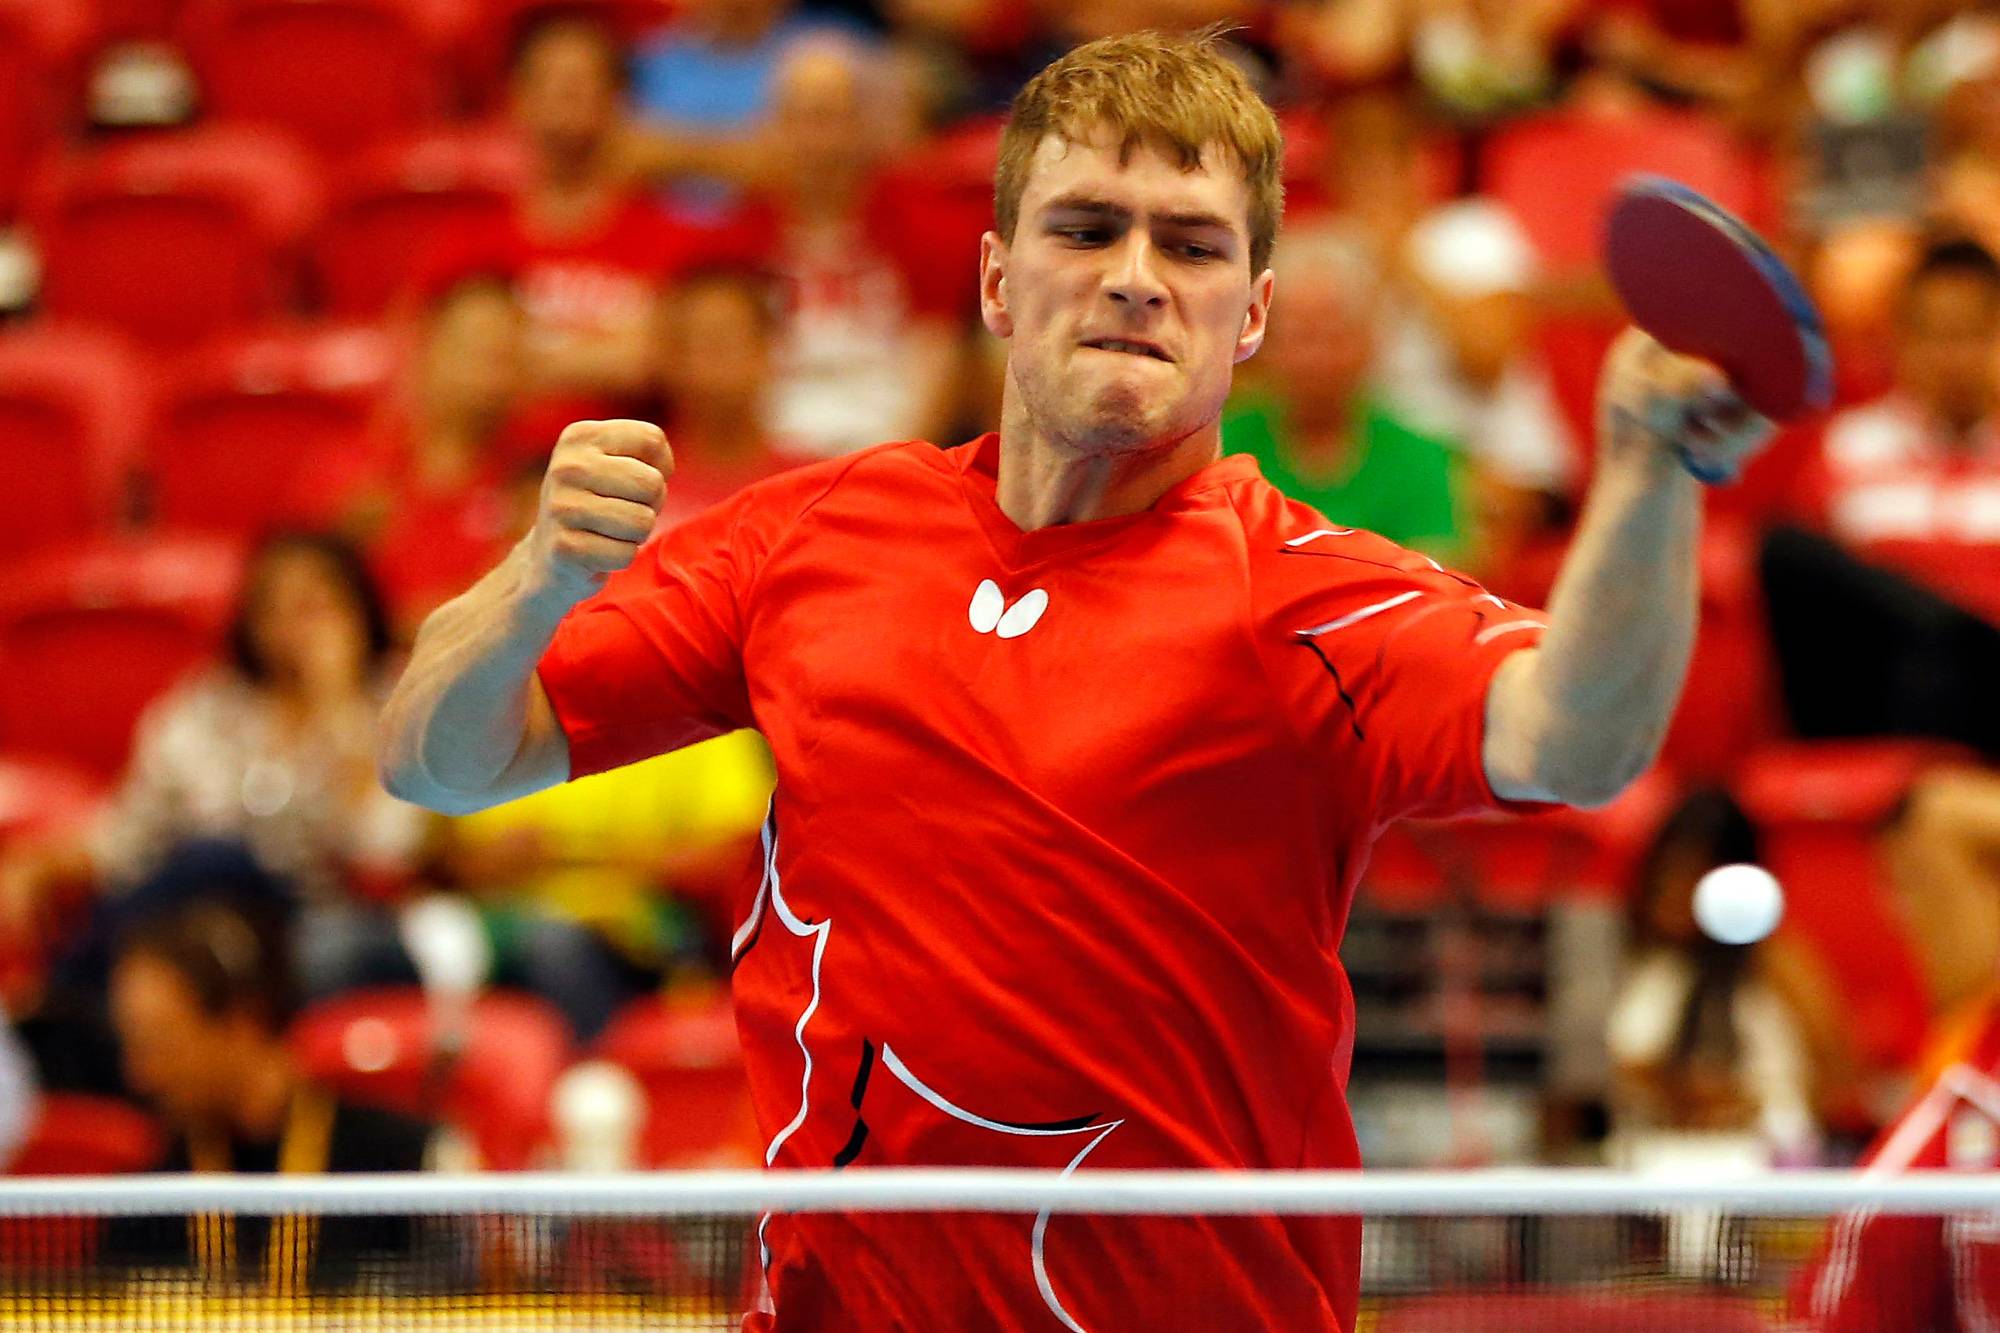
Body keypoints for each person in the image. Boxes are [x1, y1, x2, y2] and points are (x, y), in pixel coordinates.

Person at [379, 29, 1768, 1332]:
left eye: (1191, 245)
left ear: (1251, 314)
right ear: (996, 280)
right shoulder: (814, 537)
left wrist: (1646, 476)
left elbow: (1574, 737)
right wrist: (536, 583)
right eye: (1087, 228)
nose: (1135, 277)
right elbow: (439, 759)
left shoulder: (1308, 597)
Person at [103, 897, 435, 1288]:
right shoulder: (144, 1203)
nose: (138, 1075)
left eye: (158, 1045)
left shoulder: (407, 1169)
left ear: (244, 1023)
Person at [1221, 223, 1475, 563]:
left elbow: (1438, 575)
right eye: (1300, 336)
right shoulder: (1221, 448)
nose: (1316, 357)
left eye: (1334, 335)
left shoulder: (1420, 455)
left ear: (1371, 343)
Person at [1604, 788, 1819, 1170]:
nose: (1675, 892)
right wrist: (1668, 1088)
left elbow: (1836, 1084)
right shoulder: (1639, 959)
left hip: (1761, 1175)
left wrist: (1742, 1102)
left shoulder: (1776, 963)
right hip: (1652, 1172)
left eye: (1692, 876)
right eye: (1668, 874)